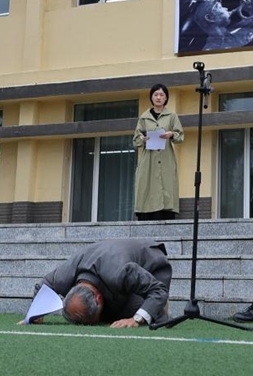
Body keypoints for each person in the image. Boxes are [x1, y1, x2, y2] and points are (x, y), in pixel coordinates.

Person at [20, 238, 172, 328]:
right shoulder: (64, 276)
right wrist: (35, 314)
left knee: (137, 313)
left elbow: (158, 290)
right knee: (111, 316)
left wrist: (136, 319)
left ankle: (160, 310)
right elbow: (42, 286)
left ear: (98, 298)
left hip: (152, 264)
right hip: (107, 261)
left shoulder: (121, 273)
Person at [133, 84, 184, 221]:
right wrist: (143, 139)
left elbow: (180, 136)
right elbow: (135, 140)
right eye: (156, 95)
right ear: (151, 97)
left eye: (162, 95)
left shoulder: (172, 116)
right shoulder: (144, 118)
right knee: (147, 186)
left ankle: (166, 213)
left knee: (166, 186)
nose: (158, 97)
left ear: (166, 98)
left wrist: (171, 134)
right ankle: (146, 214)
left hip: (166, 158)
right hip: (148, 160)